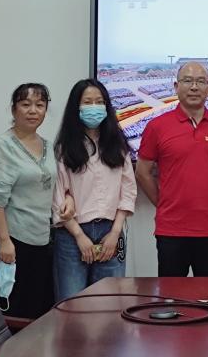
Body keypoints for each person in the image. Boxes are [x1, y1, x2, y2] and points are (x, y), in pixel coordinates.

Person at [136, 62, 208, 276]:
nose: (194, 87)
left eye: (200, 81)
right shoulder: (157, 126)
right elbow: (142, 172)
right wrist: (163, 202)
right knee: (171, 294)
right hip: (171, 230)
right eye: (187, 81)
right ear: (176, 86)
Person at [53, 79, 136, 299]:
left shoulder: (118, 144)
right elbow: (59, 195)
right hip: (72, 235)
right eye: (87, 102)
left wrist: (115, 233)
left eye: (99, 102)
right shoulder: (63, 147)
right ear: (76, 107)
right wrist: (79, 236)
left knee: (109, 302)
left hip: (111, 231)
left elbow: (128, 191)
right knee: (72, 302)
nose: (94, 107)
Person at [0, 83, 56, 317]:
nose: (33, 111)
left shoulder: (48, 146)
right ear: (14, 109)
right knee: (16, 312)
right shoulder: (3, 146)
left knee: (40, 312)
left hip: (44, 240)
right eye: (26, 104)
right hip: (15, 242)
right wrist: (4, 241)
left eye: (39, 105)